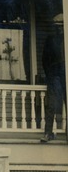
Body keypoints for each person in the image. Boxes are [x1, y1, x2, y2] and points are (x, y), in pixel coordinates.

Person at [41, 13, 67, 142]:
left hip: (65, 74)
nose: (59, 28)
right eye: (57, 26)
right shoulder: (50, 39)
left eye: (61, 26)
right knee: (51, 104)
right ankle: (48, 133)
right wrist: (50, 74)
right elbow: (44, 59)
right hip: (54, 74)